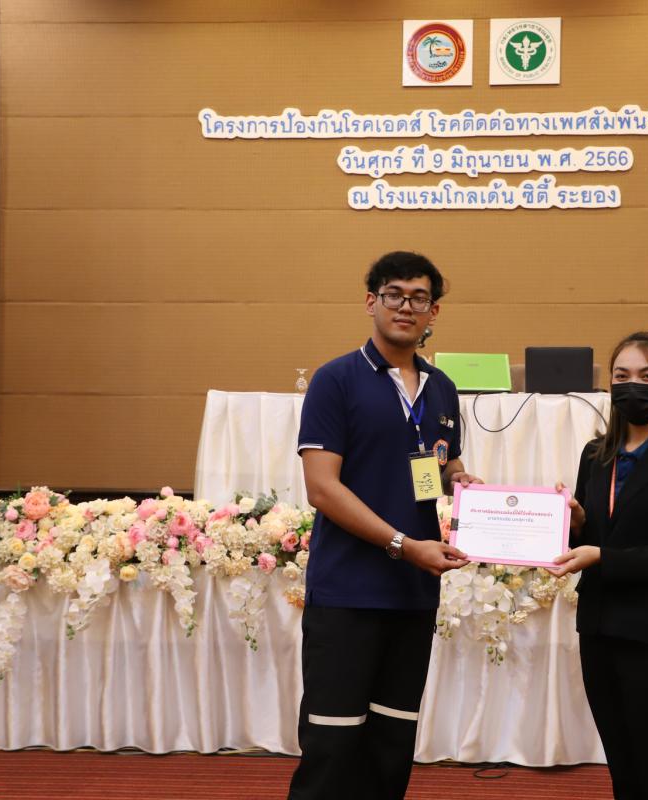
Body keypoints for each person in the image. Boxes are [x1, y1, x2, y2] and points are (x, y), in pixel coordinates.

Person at [288, 251, 482, 800]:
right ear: (371, 301)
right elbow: (322, 488)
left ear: (433, 311)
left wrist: (463, 482)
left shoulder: (441, 388)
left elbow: (438, 464)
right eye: (394, 294)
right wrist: (403, 545)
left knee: (391, 748)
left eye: (419, 298)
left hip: (413, 596)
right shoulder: (336, 380)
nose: (405, 306)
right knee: (332, 746)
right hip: (347, 593)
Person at [549, 331, 648, 800]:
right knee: (622, 768)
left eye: (646, 375)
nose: (632, 385)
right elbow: (591, 538)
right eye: (621, 376)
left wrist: (602, 556)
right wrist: (578, 525)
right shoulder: (595, 455)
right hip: (598, 631)